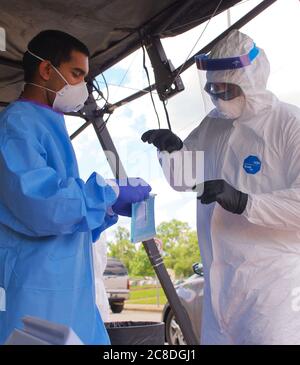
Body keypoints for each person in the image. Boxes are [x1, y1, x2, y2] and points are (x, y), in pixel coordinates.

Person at [142, 29, 300, 345]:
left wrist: (245, 201)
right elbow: (183, 181)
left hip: (273, 295)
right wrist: (172, 153)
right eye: (213, 89)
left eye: (226, 88)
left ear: (250, 81)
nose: (218, 96)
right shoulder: (213, 124)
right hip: (220, 292)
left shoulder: (289, 125)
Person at [0, 30, 151, 345]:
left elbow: (63, 211)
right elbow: (41, 204)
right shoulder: (16, 125)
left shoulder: (48, 124)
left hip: (66, 291)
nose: (82, 87)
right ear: (46, 69)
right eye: (77, 74)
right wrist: (108, 191)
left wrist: (106, 207)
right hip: (36, 291)